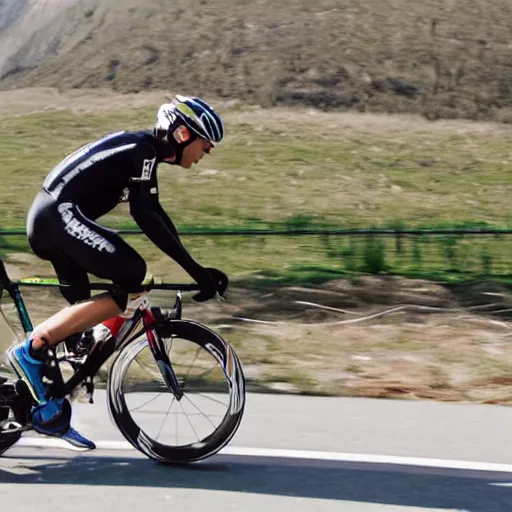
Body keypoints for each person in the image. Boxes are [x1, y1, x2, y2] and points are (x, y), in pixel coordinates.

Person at [7, 94, 228, 450]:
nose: (209, 151)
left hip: (56, 219)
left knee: (82, 332)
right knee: (133, 273)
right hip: (57, 217)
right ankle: (29, 351)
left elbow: (156, 215)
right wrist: (196, 271)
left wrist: (198, 267)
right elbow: (145, 217)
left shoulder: (145, 156)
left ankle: (49, 409)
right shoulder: (142, 149)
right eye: (206, 141)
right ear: (183, 134)